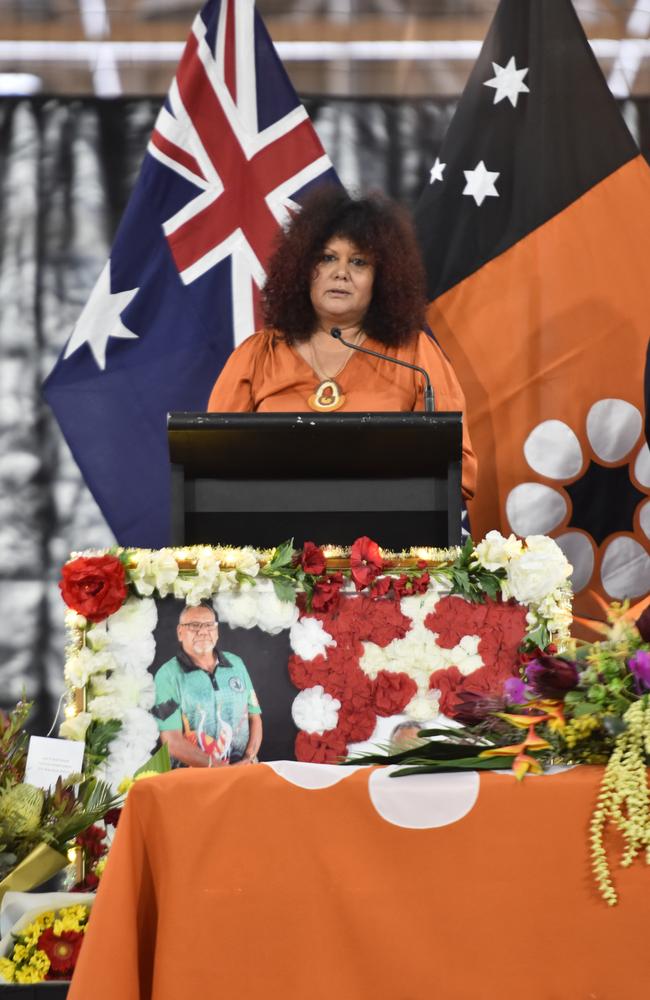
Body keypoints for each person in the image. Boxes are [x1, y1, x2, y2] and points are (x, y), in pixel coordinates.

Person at [208, 187, 477, 500]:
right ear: (302, 269)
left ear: (384, 278)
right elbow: (212, 464)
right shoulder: (257, 356)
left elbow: (458, 472)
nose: (341, 273)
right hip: (275, 539)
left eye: (359, 262)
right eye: (327, 258)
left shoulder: (415, 354)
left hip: (385, 538)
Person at [153, 603, 262, 767]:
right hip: (192, 780)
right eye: (194, 625)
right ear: (180, 632)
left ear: (217, 632)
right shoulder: (167, 676)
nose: (203, 631)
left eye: (209, 625)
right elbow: (171, 741)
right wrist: (219, 768)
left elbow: (255, 717)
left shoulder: (236, 664)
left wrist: (249, 757)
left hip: (242, 772)